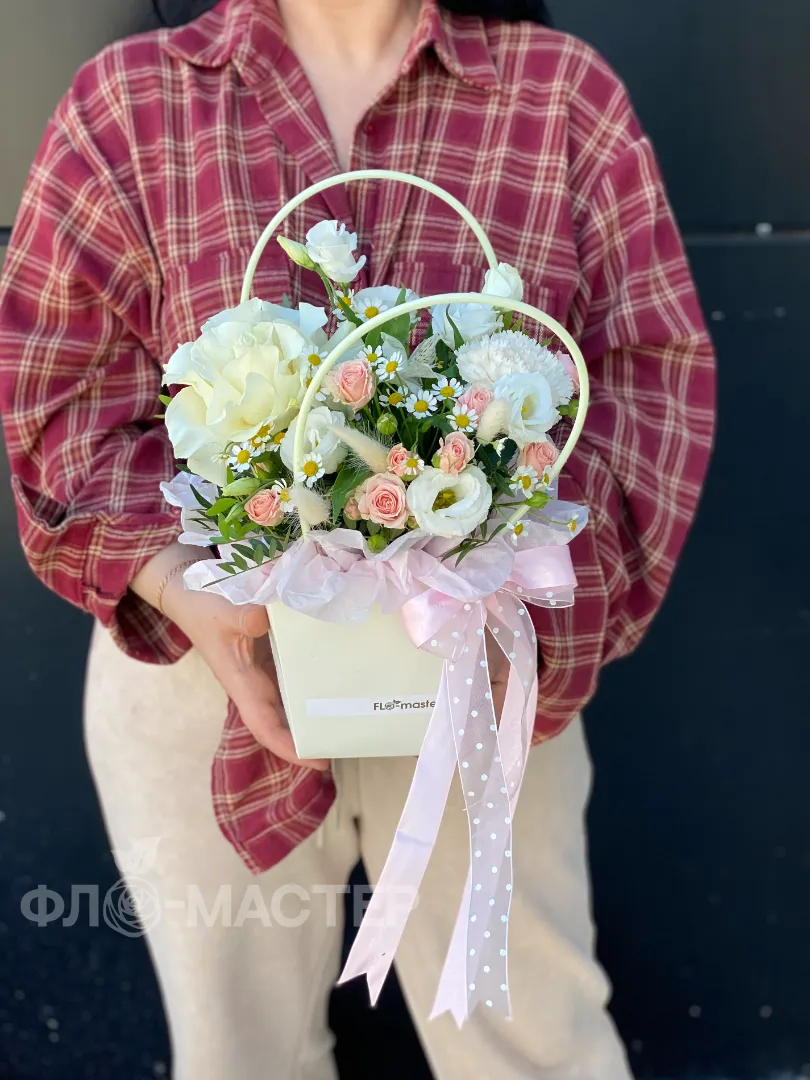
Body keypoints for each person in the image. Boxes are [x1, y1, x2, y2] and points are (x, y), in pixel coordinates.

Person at [0, 0, 715, 1077]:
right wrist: (181, 581)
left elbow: (650, 385)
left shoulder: (560, 94)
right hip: (203, 675)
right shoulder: (132, 100)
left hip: (485, 672)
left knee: (532, 1047)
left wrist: (534, 614)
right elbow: (57, 397)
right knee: (239, 1058)